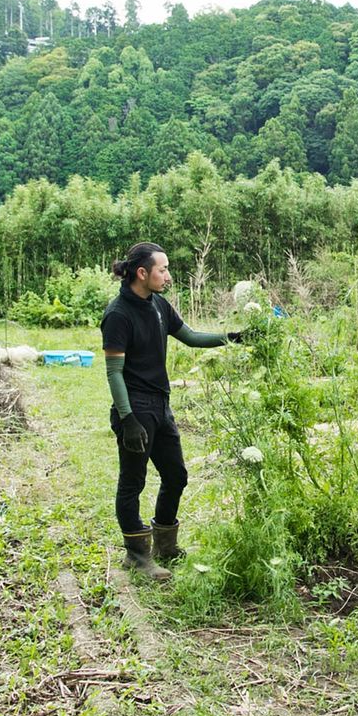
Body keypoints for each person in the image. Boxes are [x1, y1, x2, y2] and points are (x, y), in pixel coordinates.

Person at [101, 242, 242, 580]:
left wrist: (233, 338)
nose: (167, 275)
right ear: (142, 273)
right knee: (132, 482)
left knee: (176, 475)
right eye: (162, 269)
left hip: (161, 405)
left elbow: (190, 337)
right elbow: (114, 372)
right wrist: (128, 419)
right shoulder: (118, 314)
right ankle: (137, 554)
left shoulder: (160, 304)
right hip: (135, 408)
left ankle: (165, 544)